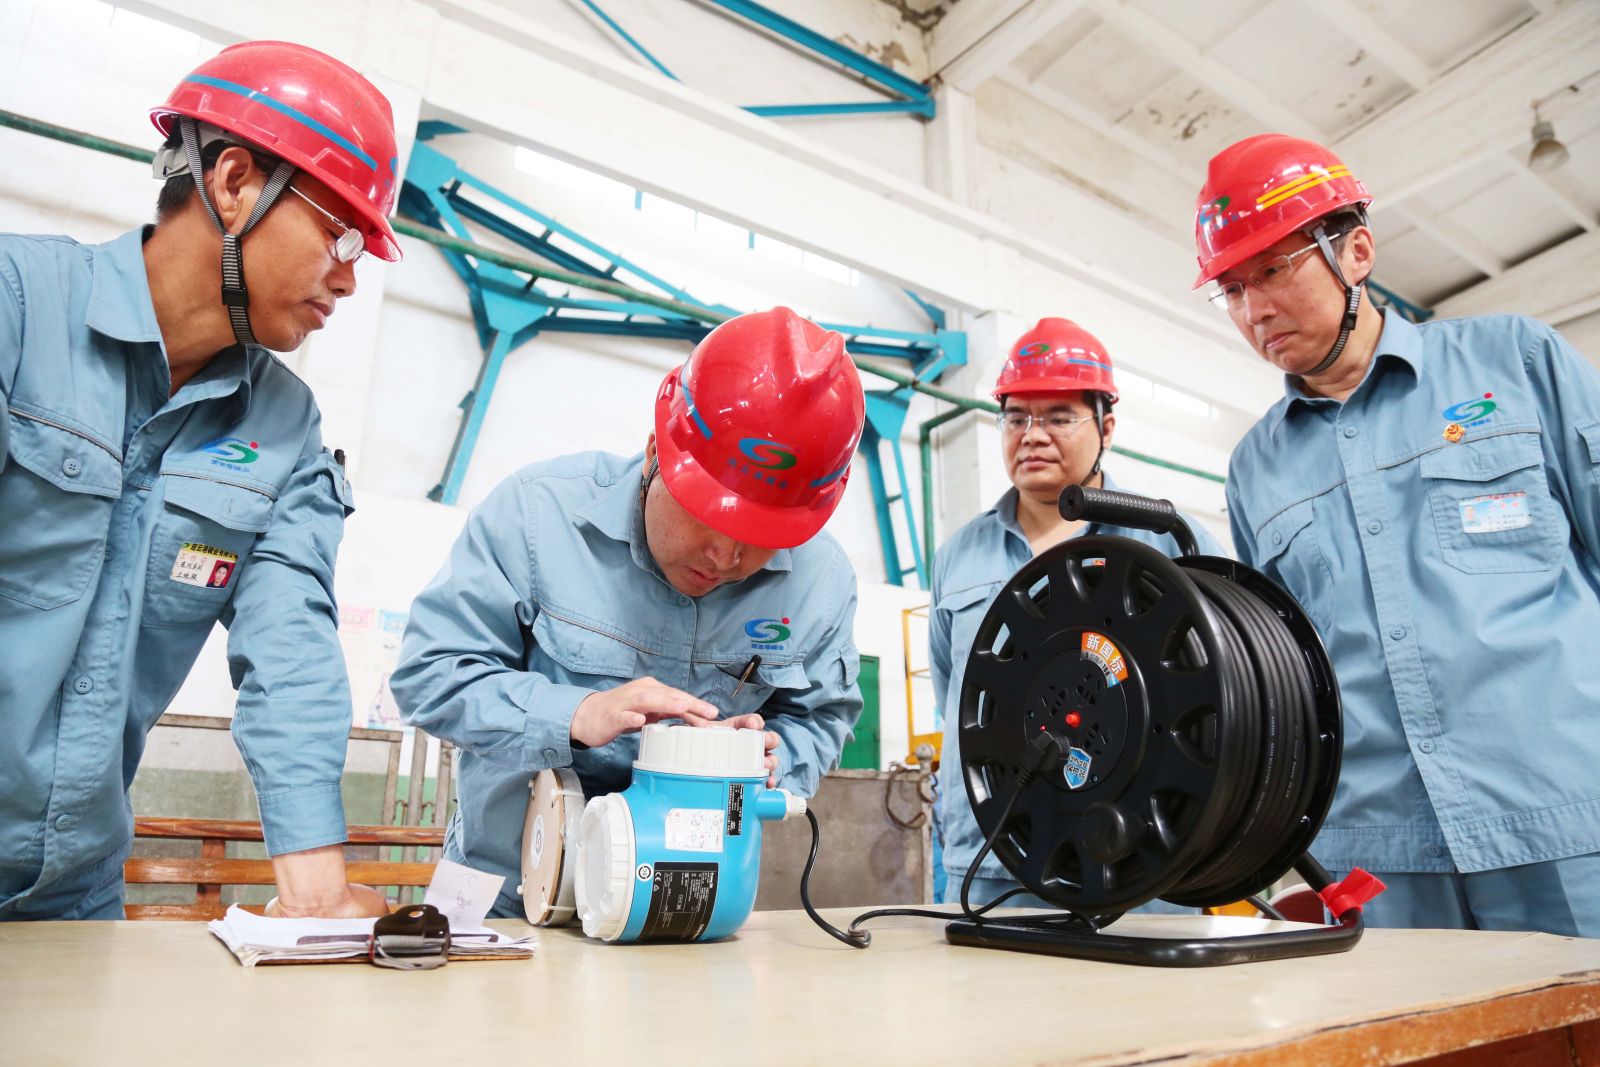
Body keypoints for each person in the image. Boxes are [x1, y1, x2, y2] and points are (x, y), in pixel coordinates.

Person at [0, 41, 404, 920]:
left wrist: (315, 890)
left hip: (70, 896)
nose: (348, 277)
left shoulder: (284, 427)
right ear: (233, 182)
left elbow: (290, 647)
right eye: (340, 235)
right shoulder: (16, 310)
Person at [1196, 133, 1600, 935]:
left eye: (1273, 270)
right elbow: (1285, 674)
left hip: (1566, 819)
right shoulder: (1254, 469)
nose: (1254, 310)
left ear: (1355, 251)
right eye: (1231, 289)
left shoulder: (1515, 362)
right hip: (1381, 859)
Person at [391, 307, 867, 917]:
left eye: (762, 537)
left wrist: (772, 759)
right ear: (654, 454)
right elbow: (428, 676)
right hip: (504, 898)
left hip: (682, 904)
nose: (725, 557)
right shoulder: (536, 517)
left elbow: (818, 716)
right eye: (707, 516)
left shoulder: (821, 582)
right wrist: (576, 713)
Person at [931, 318, 1225, 909]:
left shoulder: (1168, 543)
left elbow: (1229, 695)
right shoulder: (959, 555)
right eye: (1016, 418)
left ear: (1106, 426)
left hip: (1139, 861)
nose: (1032, 436)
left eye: (1059, 417)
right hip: (993, 856)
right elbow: (956, 697)